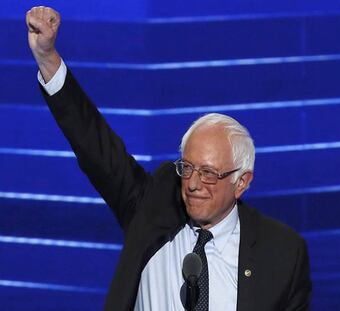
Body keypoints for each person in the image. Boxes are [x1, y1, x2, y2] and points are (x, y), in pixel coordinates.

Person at [26, 6, 312, 311]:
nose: (192, 184)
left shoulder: (282, 253)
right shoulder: (154, 207)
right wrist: (47, 58)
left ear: (241, 182)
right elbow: (96, 147)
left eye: (208, 173)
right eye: (187, 168)